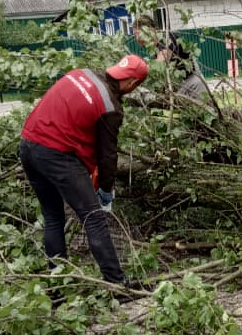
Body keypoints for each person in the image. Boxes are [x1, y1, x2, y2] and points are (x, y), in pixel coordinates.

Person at [19, 54, 149, 291]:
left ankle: (57, 286)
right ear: (132, 83)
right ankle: (117, 285)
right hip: (55, 153)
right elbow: (107, 156)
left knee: (53, 216)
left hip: (28, 144)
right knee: (94, 217)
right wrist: (105, 191)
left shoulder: (82, 73)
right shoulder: (111, 107)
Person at [133, 15, 206, 98]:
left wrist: (134, 74)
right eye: (134, 35)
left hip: (193, 85)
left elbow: (161, 62)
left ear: (150, 29)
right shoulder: (154, 49)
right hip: (177, 88)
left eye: (138, 34)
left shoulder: (167, 38)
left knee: (205, 110)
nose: (137, 38)